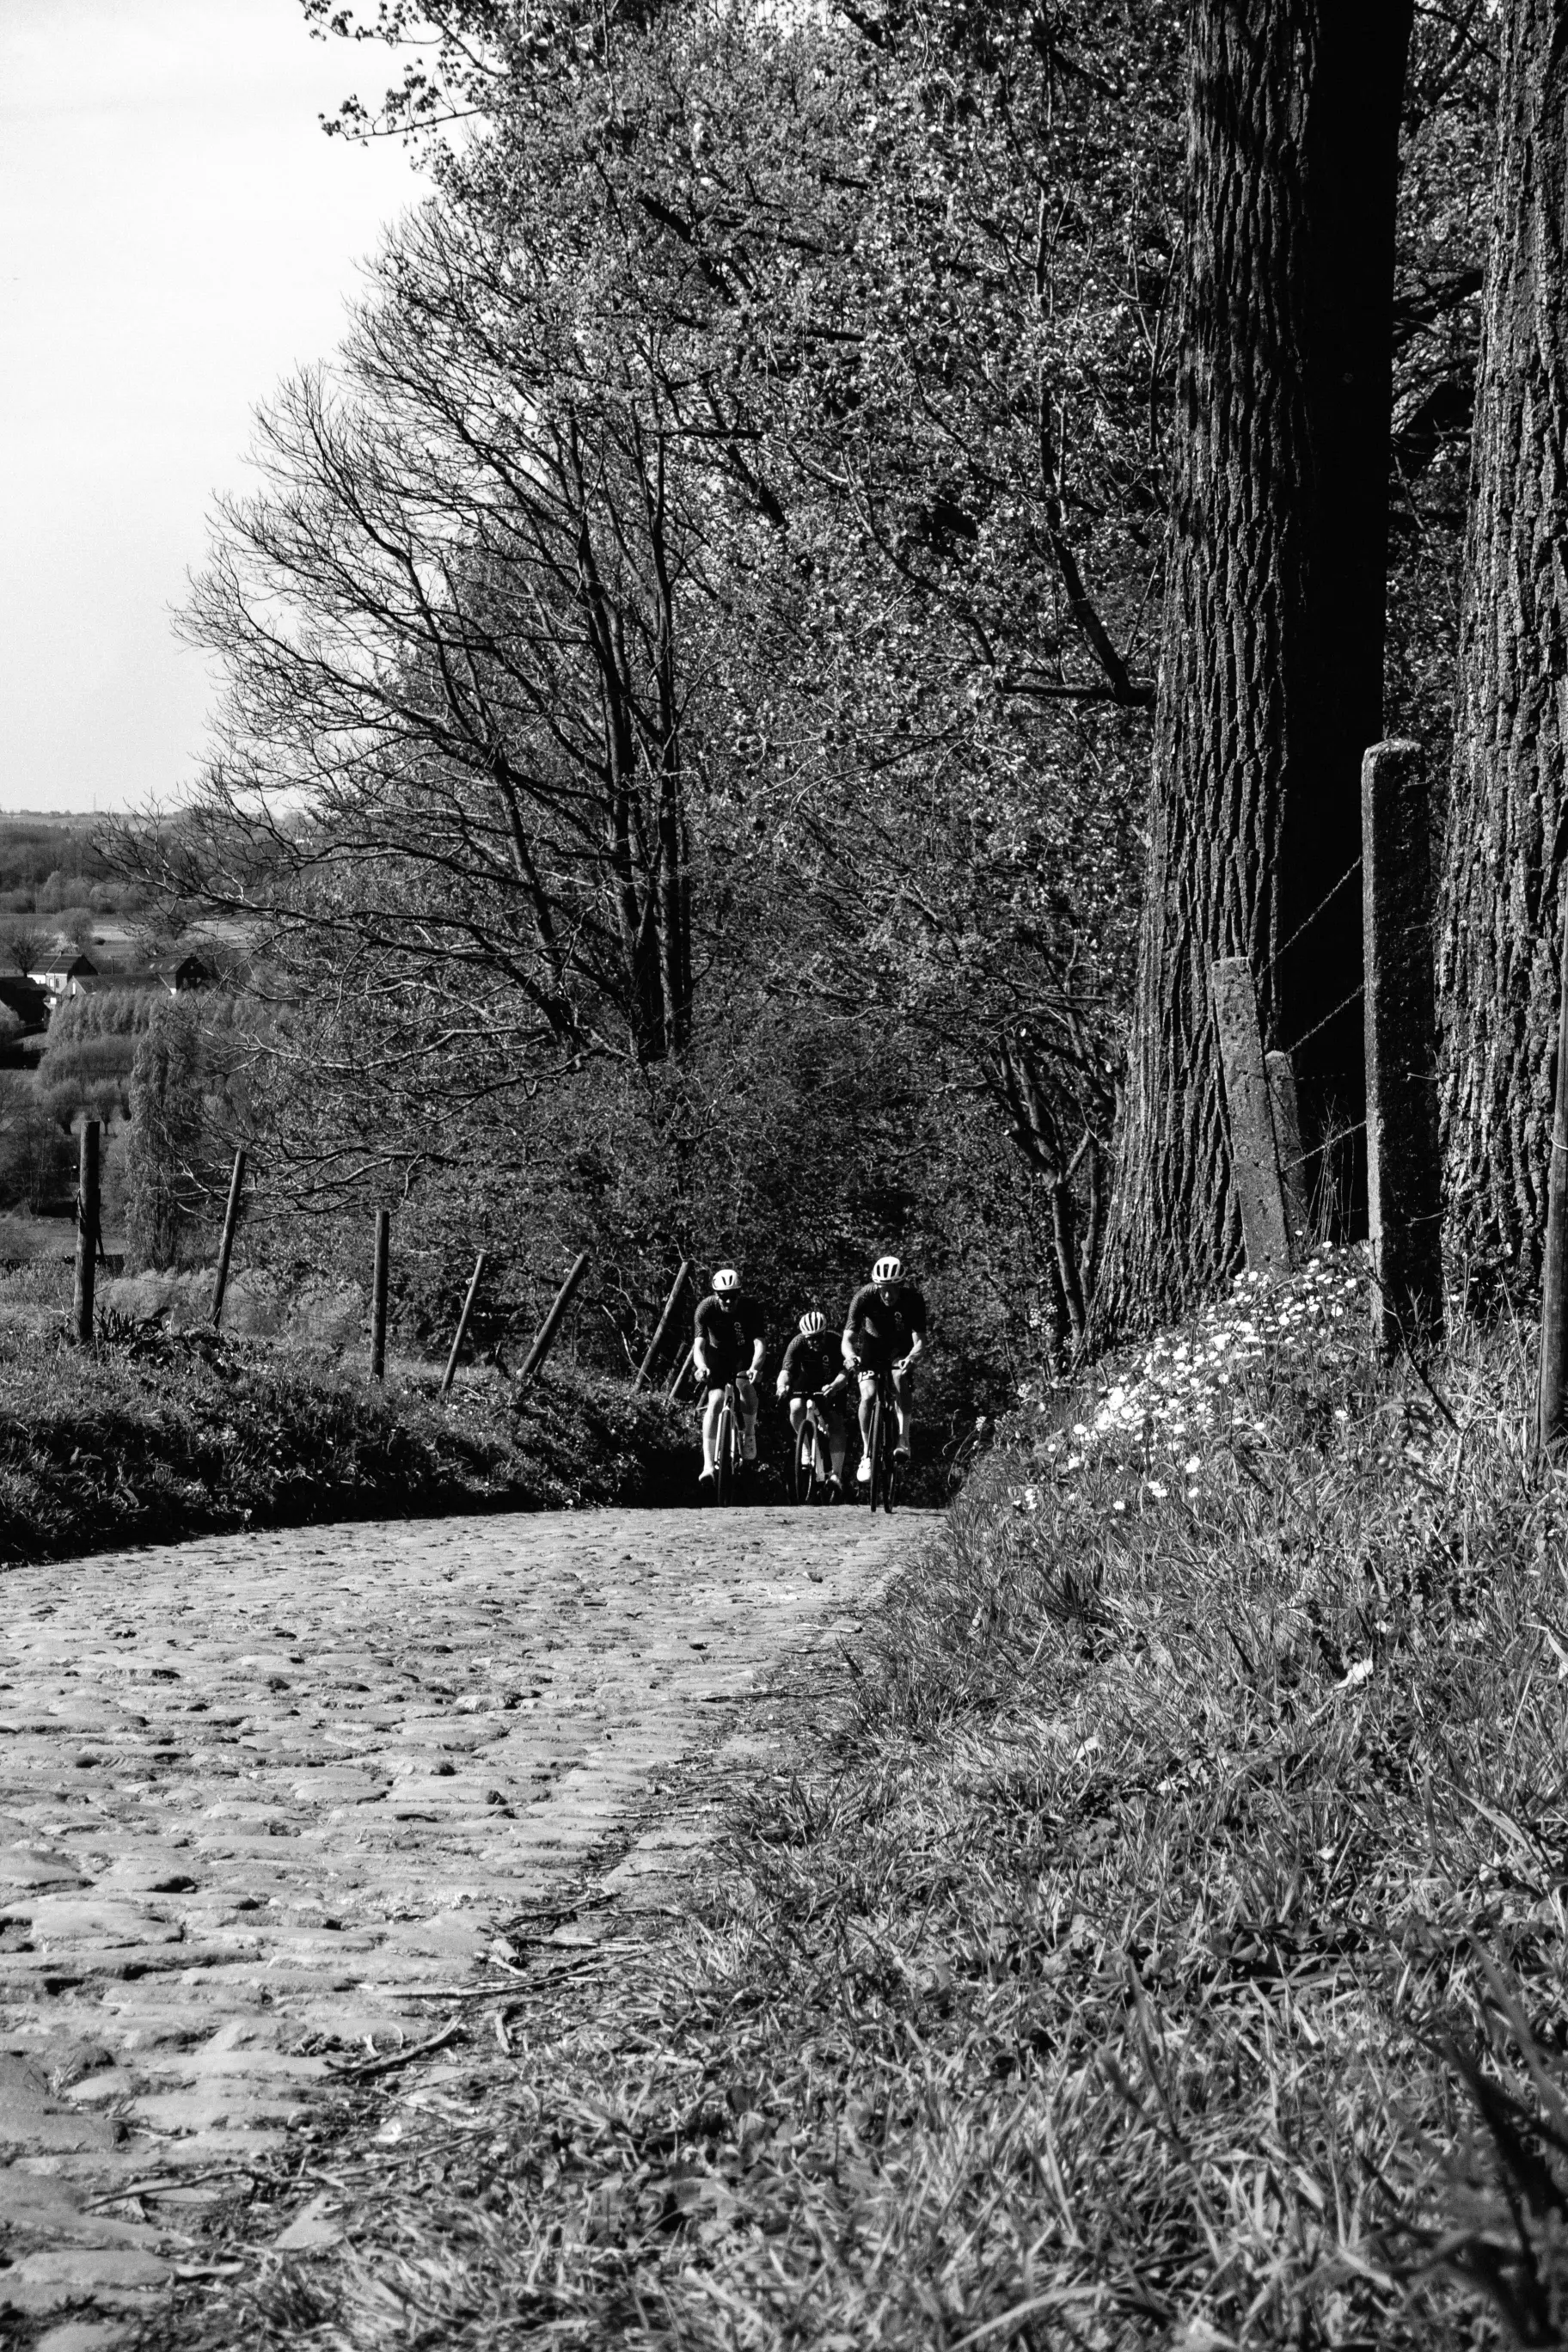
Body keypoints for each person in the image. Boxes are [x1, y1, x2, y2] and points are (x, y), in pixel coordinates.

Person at [842, 1253, 928, 1484]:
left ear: (901, 1285)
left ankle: (903, 1438)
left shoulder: (913, 1299)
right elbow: (848, 1337)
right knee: (868, 1396)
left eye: (893, 1288)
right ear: (876, 1285)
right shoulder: (864, 1296)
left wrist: (913, 1358)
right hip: (872, 1348)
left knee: (900, 1378)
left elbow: (920, 1340)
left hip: (900, 1348)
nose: (888, 1294)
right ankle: (867, 1453)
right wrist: (850, 1356)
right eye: (883, 1288)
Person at [692, 1265, 765, 1496]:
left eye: (733, 1297)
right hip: (717, 1354)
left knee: (745, 1386)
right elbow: (699, 1346)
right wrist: (701, 1366)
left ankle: (749, 1433)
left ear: (739, 1295)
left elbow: (759, 1344)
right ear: (716, 1295)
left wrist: (755, 1367)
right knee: (715, 1402)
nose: (728, 1302)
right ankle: (707, 1466)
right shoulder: (705, 1308)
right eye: (723, 1297)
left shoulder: (750, 1308)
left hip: (743, 1354)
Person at [775, 1309, 851, 1501]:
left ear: (825, 1333)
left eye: (818, 1338)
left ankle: (836, 1474)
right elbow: (786, 1370)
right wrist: (781, 1386)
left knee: (835, 1422)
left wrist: (835, 1386)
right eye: (810, 1339)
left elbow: (846, 1371)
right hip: (807, 1380)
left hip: (832, 1382)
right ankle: (806, 1448)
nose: (814, 1343)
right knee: (795, 1406)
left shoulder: (836, 1341)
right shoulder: (797, 1343)